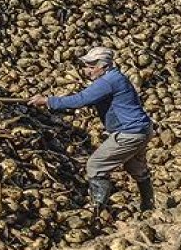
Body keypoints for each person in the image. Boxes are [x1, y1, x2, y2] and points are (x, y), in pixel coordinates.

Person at [28, 46, 156, 217]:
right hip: (141, 129)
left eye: (90, 66)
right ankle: (149, 206)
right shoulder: (114, 78)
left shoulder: (108, 81)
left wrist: (47, 101)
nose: (86, 71)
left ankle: (96, 212)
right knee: (136, 167)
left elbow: (81, 99)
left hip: (129, 133)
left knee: (95, 165)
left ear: (103, 65)